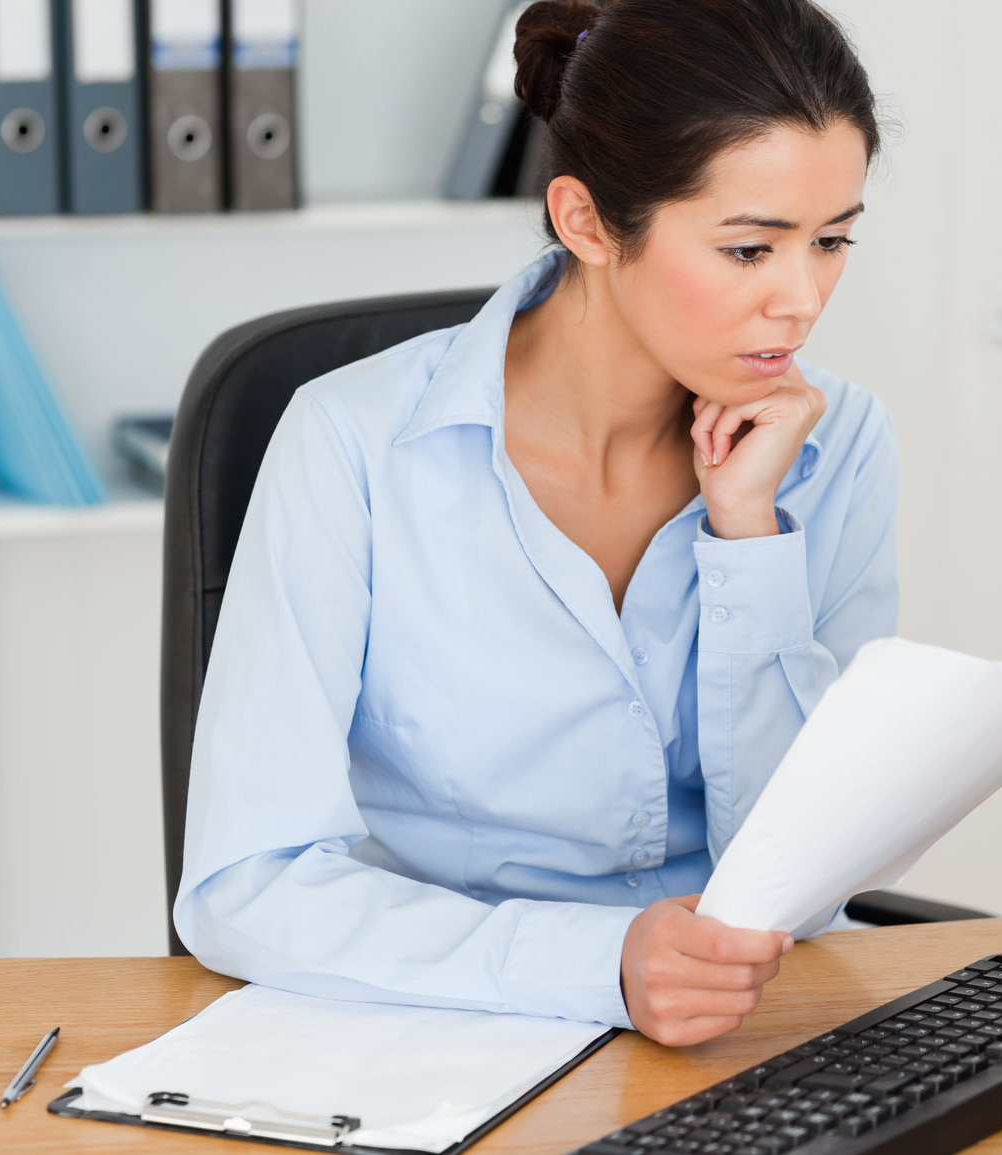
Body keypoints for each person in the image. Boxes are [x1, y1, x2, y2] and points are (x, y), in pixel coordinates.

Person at [174, 0, 896, 1048]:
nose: (801, 299)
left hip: (744, 1023)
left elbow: (811, 875)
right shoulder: (353, 445)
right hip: (444, 1028)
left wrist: (750, 541)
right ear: (587, 221)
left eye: (832, 240)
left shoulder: (838, 446)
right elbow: (245, 885)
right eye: (750, 250)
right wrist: (597, 963)